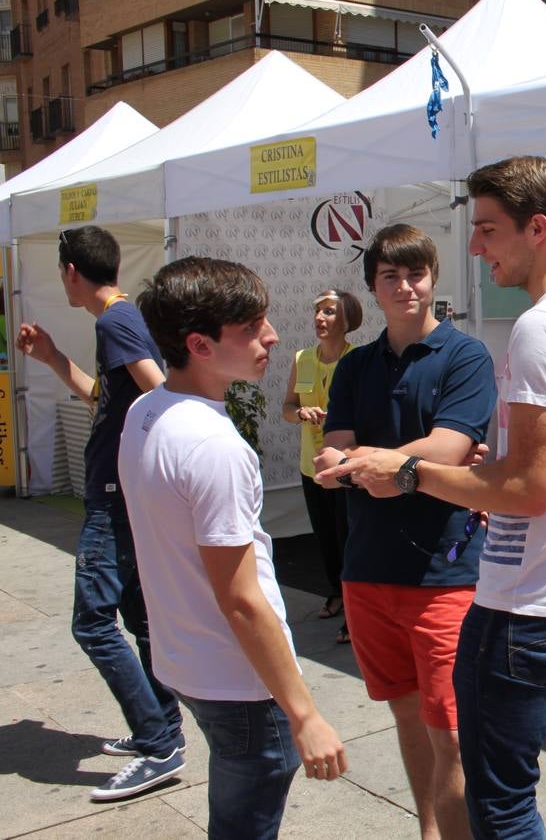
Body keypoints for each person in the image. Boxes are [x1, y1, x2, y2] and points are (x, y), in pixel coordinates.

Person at [321, 156, 546, 838]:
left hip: (529, 603)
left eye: (486, 230)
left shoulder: (543, 327)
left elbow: (527, 491)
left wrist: (409, 471)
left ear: (537, 228)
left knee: (502, 801)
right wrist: (508, 475)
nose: (475, 249)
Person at [118, 257, 347, 837]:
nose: (270, 336)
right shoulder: (212, 445)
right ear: (198, 344)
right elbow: (242, 600)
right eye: (250, 328)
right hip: (237, 680)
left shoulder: (147, 412)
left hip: (189, 662)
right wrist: (304, 713)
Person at [312, 224, 496, 840]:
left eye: (415, 273)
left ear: (433, 279)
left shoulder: (464, 356)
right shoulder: (355, 366)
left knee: (453, 735)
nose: (405, 286)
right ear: (373, 286)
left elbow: (451, 444)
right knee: (407, 718)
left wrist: (370, 465)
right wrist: (403, 467)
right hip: (367, 572)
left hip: (444, 575)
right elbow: (330, 460)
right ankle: (428, 830)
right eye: (390, 275)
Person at [16, 226, 185, 801]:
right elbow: (107, 400)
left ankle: (157, 741)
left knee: (93, 623)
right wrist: (54, 358)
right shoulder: (118, 320)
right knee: (141, 621)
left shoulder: (115, 320)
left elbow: (159, 392)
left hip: (115, 499)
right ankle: (164, 734)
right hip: (121, 495)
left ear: (70, 271)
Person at [282, 289, 362, 643]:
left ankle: (355, 610)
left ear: (347, 320)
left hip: (345, 465)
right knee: (325, 536)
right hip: (310, 464)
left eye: (329, 312)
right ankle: (335, 591)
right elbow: (287, 407)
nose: (320, 319)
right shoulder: (302, 358)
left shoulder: (357, 360)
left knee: (350, 537)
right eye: (317, 312)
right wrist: (300, 413)